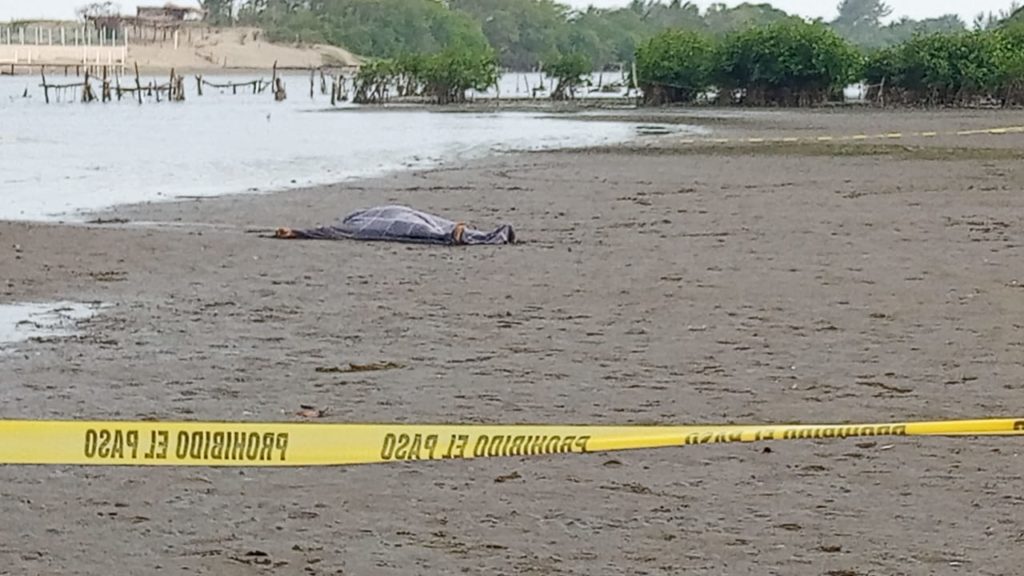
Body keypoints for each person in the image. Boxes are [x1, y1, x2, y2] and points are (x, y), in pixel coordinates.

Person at [274, 205, 515, 246]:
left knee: (415, 229)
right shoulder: (369, 214)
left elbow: (335, 231)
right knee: (429, 224)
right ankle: (477, 234)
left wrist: (297, 232)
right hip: (404, 212)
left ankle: (454, 235)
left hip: (401, 216)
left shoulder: (362, 220)